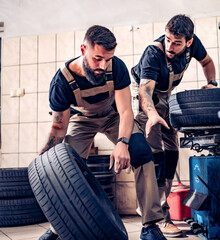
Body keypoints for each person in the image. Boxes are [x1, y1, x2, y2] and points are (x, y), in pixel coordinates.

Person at [39, 25, 166, 240]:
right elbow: (59, 126)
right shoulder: (61, 81)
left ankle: (150, 225)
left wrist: (123, 143)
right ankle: (56, 228)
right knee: (65, 171)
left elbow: (126, 111)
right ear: (83, 49)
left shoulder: (117, 68)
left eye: (107, 59)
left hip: (113, 116)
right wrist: (47, 159)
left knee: (143, 153)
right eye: (97, 58)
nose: (102, 65)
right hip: (81, 120)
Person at [132, 14, 217, 237]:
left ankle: (162, 210)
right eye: (168, 39)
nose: (170, 46)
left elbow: (207, 62)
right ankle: (158, 218)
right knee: (154, 156)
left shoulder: (193, 45)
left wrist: (211, 83)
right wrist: (151, 116)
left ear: (188, 42)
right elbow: (145, 92)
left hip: (166, 98)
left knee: (171, 153)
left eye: (176, 42)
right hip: (144, 98)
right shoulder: (153, 54)